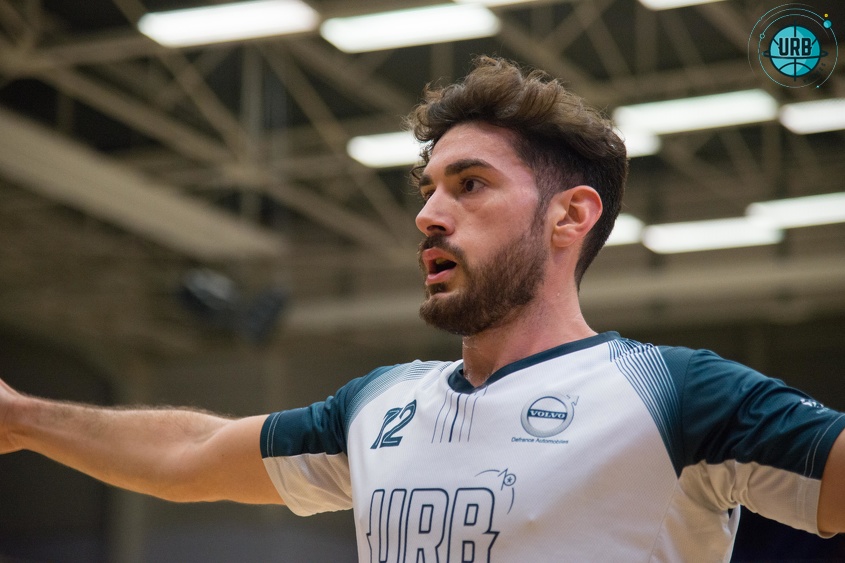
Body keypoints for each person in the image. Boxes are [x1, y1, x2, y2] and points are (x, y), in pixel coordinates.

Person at [1, 55, 844, 562]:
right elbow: (191, 453)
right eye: (428, 189)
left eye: (469, 184)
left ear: (569, 216)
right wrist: (22, 417)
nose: (429, 215)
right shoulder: (379, 404)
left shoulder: (676, 394)